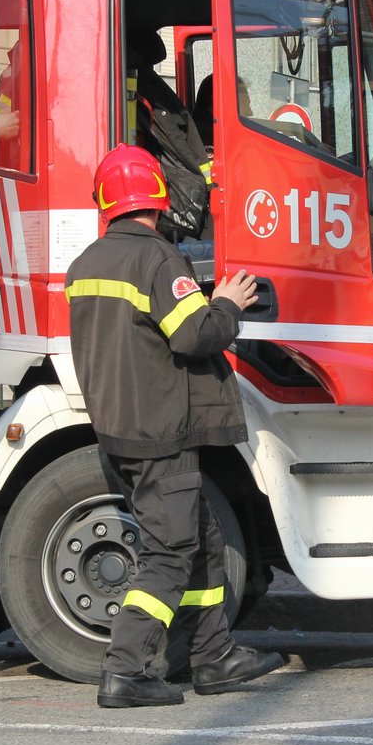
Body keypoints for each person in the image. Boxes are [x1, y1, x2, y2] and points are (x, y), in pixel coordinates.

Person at [64, 145, 284, 707]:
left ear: (107, 204)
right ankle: (126, 669)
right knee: (168, 551)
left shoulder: (86, 263)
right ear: (158, 202)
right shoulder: (159, 260)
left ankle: (214, 656)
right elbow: (194, 336)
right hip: (162, 431)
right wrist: (228, 304)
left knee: (204, 539)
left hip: (123, 428)